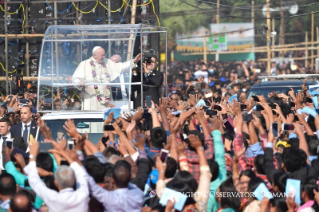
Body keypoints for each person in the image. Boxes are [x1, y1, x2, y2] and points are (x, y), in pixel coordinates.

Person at [24, 142, 89, 212]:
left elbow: (34, 181)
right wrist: (63, 153)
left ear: (56, 183)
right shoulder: (83, 194)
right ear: (75, 180)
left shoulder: (52, 197)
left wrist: (32, 156)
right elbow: (82, 173)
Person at [72, 46, 141, 110]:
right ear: (94, 55)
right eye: (102, 55)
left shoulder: (107, 62)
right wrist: (79, 83)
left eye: (104, 55)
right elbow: (74, 79)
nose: (103, 57)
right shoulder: (84, 64)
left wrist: (134, 61)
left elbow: (121, 67)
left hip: (106, 99)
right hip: (91, 99)